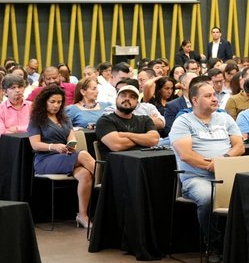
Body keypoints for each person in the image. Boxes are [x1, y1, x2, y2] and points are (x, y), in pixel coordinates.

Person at [170, 79, 245, 263]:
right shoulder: (183, 122)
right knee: (206, 198)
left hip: (227, 175)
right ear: (195, 100)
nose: (214, 99)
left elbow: (239, 146)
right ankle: (213, 244)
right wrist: (210, 165)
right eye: (208, 96)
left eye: (214, 95)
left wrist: (223, 161)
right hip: (197, 177)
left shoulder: (224, 118)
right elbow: (186, 155)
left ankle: (242, 244)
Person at [27, 85, 96, 228]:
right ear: (44, 101)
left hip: (65, 156)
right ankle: (109, 184)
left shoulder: (65, 118)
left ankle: (82, 215)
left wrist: (71, 147)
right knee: (83, 155)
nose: (56, 105)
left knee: (85, 174)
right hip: (45, 160)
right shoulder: (36, 120)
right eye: (52, 102)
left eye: (59, 102)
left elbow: (72, 139)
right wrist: (53, 146)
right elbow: (35, 145)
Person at [95, 84, 160, 152]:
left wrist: (125, 134)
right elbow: (117, 145)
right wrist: (144, 140)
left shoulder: (145, 120)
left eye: (132, 97)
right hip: (117, 158)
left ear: (137, 104)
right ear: (116, 100)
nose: (127, 99)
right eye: (123, 95)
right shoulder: (105, 120)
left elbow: (154, 140)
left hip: (145, 157)